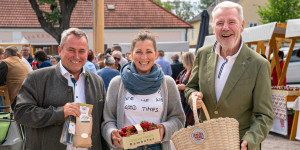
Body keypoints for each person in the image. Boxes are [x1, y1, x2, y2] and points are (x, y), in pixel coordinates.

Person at [185, 2, 273, 150]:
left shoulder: (259, 64)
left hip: (239, 144)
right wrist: (193, 95)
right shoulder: (202, 54)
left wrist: (250, 140)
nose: (225, 27)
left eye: (231, 22)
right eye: (219, 23)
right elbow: (191, 87)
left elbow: (264, 115)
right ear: (214, 28)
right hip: (206, 142)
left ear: (242, 25)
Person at [14, 28, 108, 150]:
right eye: (71, 50)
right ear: (60, 50)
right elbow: (22, 113)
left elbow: (102, 122)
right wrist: (60, 113)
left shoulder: (97, 81)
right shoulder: (36, 78)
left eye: (81, 51)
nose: (76, 56)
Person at [101, 31, 185, 150]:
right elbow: (107, 120)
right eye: (139, 52)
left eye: (149, 52)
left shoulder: (167, 83)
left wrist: (164, 129)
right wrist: (111, 133)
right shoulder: (118, 83)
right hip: (126, 147)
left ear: (156, 54)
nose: (144, 57)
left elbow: (179, 119)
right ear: (131, 55)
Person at [176, 52, 195, 127]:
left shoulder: (195, 72)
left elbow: (199, 86)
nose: (182, 61)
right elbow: (177, 81)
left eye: (183, 59)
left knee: (189, 124)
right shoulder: (183, 72)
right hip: (181, 100)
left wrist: (185, 87)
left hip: (190, 101)